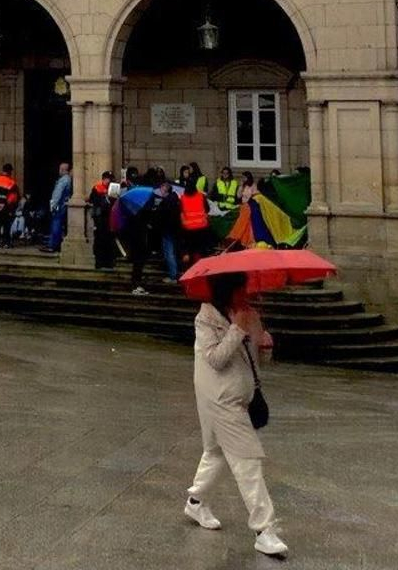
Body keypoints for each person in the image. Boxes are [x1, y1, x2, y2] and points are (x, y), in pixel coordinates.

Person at [183, 271, 287, 559]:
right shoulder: (205, 318)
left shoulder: (249, 314)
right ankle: (264, 529)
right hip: (219, 399)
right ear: (227, 290)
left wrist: (265, 345)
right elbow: (215, 359)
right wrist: (237, 330)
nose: (246, 293)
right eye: (240, 288)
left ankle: (196, 500)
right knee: (246, 460)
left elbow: (254, 361)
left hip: (242, 396)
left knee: (216, 453)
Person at [152, 178, 182, 282]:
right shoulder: (176, 200)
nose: (160, 190)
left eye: (161, 187)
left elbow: (161, 216)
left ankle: (173, 275)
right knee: (174, 252)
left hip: (168, 230)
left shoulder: (166, 201)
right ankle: (175, 273)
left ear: (165, 188)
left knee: (169, 253)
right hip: (176, 229)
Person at [88, 171, 117, 270]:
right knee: (99, 240)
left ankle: (109, 262)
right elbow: (94, 202)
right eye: (108, 179)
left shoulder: (113, 188)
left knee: (109, 240)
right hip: (100, 218)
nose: (109, 181)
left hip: (110, 218)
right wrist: (104, 197)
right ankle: (99, 263)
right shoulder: (97, 188)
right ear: (104, 179)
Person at [43, 163, 73, 253]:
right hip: (61, 205)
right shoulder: (67, 179)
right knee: (57, 224)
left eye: (60, 169)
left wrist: (53, 205)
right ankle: (53, 244)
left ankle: (53, 245)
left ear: (63, 170)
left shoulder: (64, 180)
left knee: (56, 224)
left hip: (59, 205)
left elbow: (57, 193)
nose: (59, 171)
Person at [0, 164, 20, 247]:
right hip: (6, 208)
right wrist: (5, 205)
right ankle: (6, 242)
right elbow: (13, 197)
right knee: (6, 225)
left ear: (3, 170)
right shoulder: (12, 182)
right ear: (10, 171)